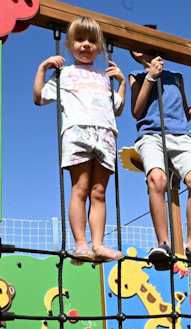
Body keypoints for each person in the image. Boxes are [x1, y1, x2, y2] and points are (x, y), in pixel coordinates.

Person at [34, 16, 125, 262]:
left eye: (92, 41)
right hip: (78, 132)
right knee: (80, 188)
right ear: (69, 44)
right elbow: (39, 97)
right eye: (80, 39)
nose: (86, 44)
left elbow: (117, 108)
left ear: (100, 48)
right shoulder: (65, 73)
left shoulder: (103, 76)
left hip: (106, 134)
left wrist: (122, 83)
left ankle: (98, 244)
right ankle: (81, 243)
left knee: (99, 192)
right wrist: (42, 69)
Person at [128, 47, 191, 269]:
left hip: (180, 135)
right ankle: (164, 244)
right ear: (137, 52)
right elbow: (137, 112)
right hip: (151, 135)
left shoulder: (177, 77)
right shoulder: (136, 77)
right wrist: (151, 76)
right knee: (157, 179)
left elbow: (184, 115)